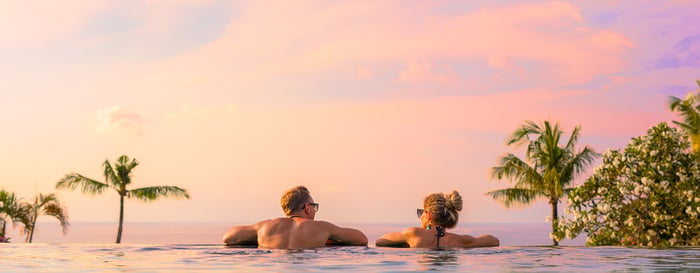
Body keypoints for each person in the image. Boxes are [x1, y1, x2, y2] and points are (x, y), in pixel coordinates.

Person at [222, 185, 368, 249]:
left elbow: (228, 237)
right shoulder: (322, 227)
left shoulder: (264, 227)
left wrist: (259, 237)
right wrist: (330, 239)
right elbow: (362, 239)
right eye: (314, 206)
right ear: (307, 207)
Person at [375, 190, 499, 248]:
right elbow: (493, 241)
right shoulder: (461, 240)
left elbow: (380, 241)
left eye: (421, 213)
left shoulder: (414, 234)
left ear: (428, 215)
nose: (420, 217)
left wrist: (405, 243)